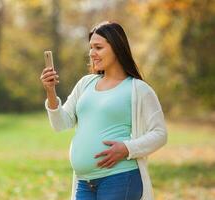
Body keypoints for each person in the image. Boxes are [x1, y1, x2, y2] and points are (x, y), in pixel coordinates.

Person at [40, 21, 167, 200]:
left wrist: (126, 148)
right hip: (84, 182)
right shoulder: (86, 83)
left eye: (98, 47)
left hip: (120, 178)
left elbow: (160, 133)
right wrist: (50, 91)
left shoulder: (138, 89)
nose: (92, 53)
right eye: (91, 48)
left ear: (116, 48)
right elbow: (61, 124)